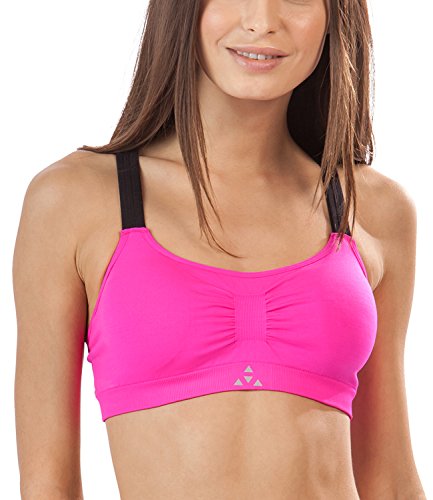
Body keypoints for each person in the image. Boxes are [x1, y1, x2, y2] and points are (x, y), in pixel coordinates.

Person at [13, 0, 426, 499]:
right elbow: (48, 486)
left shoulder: (372, 208)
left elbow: (390, 481)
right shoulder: (74, 200)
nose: (261, 21)